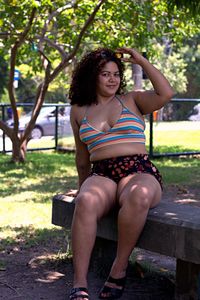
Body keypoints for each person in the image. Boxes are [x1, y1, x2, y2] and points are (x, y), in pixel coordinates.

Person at [67, 47, 174, 299]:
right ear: (92, 76)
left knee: (139, 196)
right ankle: (79, 283)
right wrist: (83, 186)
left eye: (116, 74)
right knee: (85, 201)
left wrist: (142, 61)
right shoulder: (79, 110)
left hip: (138, 170)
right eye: (105, 74)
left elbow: (166, 93)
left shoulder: (132, 99)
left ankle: (119, 267)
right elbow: (82, 158)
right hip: (102, 174)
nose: (113, 79)